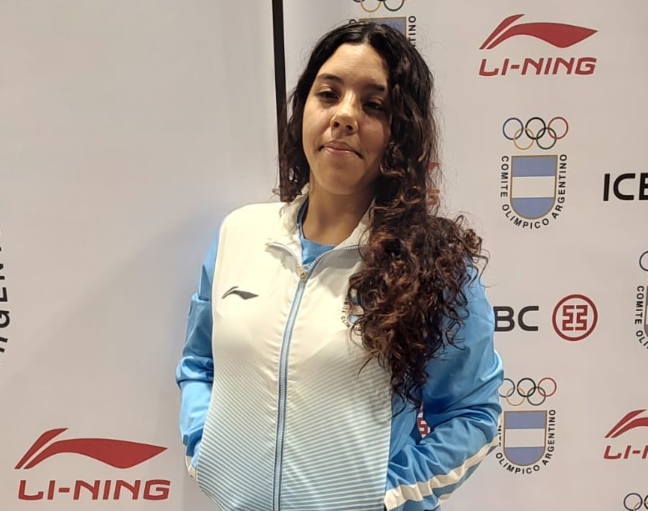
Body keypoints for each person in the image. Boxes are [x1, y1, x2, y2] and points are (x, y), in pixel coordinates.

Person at [176, 21, 503, 511]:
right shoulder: (239, 234)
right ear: (303, 110)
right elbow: (200, 363)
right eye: (328, 94)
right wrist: (206, 452)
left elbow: (471, 413)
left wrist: (380, 498)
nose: (345, 115)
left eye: (374, 105)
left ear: (400, 132)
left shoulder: (431, 263)